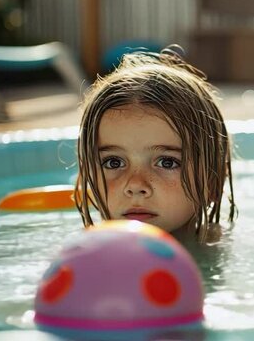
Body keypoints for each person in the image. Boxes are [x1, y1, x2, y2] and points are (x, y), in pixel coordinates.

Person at [74, 46, 236, 243]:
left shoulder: (225, 250)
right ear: (87, 174)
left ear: (213, 182)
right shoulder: (84, 254)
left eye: (167, 162)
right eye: (113, 162)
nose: (135, 185)